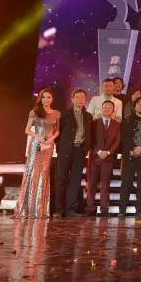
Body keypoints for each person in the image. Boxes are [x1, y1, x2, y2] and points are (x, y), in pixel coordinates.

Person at [14, 88, 60, 219]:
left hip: (48, 146)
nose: (46, 99)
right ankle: (28, 208)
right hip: (36, 145)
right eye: (44, 97)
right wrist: (38, 136)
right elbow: (27, 130)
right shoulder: (35, 111)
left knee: (43, 174)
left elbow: (57, 131)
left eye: (49, 97)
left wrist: (51, 139)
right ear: (40, 98)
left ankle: (40, 209)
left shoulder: (56, 113)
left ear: (52, 99)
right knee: (33, 173)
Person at [55, 89, 92, 218]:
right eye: (77, 97)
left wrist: (86, 148)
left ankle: (70, 209)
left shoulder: (88, 116)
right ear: (72, 99)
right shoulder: (65, 114)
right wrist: (60, 147)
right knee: (61, 179)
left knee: (75, 181)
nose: (80, 99)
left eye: (82, 97)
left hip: (79, 150)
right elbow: (57, 132)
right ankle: (59, 209)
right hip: (66, 150)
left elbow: (89, 134)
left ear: (85, 100)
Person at [85, 100, 120, 217]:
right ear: (101, 108)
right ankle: (90, 208)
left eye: (109, 107)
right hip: (95, 158)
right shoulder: (94, 123)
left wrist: (109, 152)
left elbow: (117, 141)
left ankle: (104, 209)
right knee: (91, 184)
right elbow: (91, 139)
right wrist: (99, 151)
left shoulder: (117, 124)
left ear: (113, 110)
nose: (107, 109)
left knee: (105, 185)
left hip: (108, 159)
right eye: (105, 107)